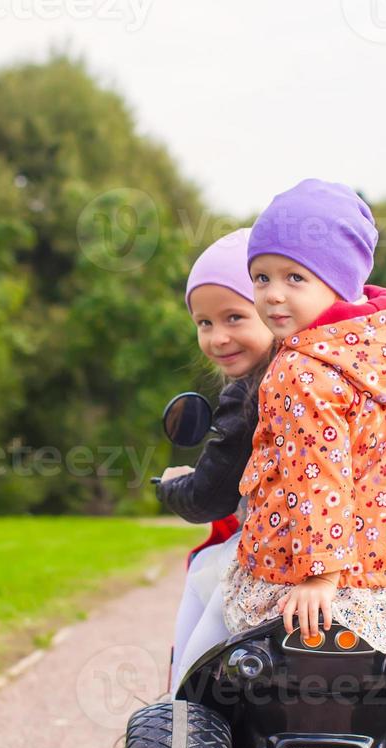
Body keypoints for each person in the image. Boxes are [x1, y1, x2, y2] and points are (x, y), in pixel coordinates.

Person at [220, 179, 386, 702]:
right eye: (260, 277)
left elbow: (316, 476)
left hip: (318, 575)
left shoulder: (300, 369)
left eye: (295, 277)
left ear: (339, 279)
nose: (273, 294)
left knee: (223, 670)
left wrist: (319, 579)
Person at [155, 229, 276, 690]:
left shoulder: (249, 394)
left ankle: (179, 710)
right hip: (366, 558)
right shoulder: (332, 375)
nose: (218, 337)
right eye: (204, 323)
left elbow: (210, 496)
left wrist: (172, 487)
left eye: (233, 317)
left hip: (275, 556)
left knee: (202, 584)